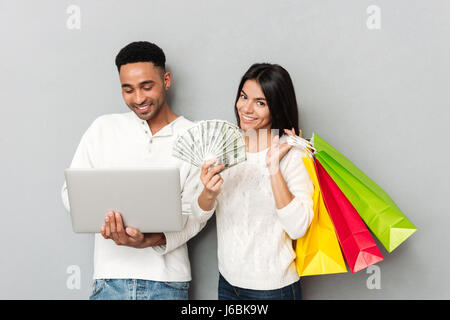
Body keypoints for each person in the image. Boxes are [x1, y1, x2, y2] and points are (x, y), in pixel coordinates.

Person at [61, 41, 206, 300]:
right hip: (109, 280)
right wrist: (106, 221)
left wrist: (149, 239)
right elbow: (70, 193)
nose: (138, 99)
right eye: (128, 90)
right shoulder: (102, 128)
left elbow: (196, 213)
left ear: (166, 80)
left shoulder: (194, 136)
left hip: (167, 282)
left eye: (146, 86)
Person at [193, 63, 314, 300]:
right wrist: (208, 192)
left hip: (273, 289)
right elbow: (199, 216)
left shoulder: (293, 152)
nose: (246, 108)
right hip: (228, 283)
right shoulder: (224, 145)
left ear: (276, 107)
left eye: (261, 102)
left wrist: (273, 168)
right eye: (243, 96)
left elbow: (298, 227)